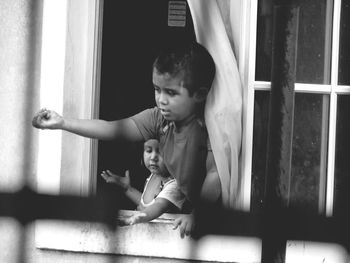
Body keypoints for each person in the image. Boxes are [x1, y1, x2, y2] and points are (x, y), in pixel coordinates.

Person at [32, 41, 219, 237]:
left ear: (199, 94)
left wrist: (198, 215)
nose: (161, 99)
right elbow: (113, 128)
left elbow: (215, 175)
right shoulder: (159, 119)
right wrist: (62, 123)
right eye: (157, 89)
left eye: (171, 93)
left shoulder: (207, 128)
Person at [101, 139, 186, 225]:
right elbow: (145, 205)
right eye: (149, 151)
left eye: (160, 152)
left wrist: (134, 219)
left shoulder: (176, 186)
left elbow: (157, 206)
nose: (153, 157)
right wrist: (127, 189)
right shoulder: (153, 176)